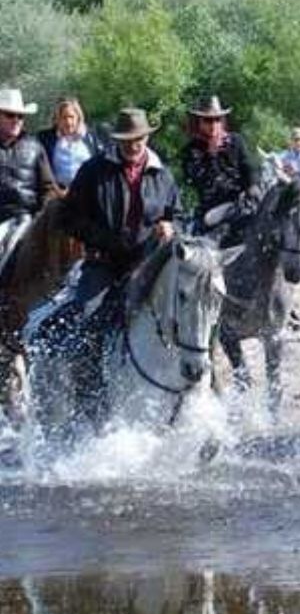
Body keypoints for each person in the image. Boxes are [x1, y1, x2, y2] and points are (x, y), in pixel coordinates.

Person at [44, 108, 180, 417]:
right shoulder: (94, 170)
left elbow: (178, 215)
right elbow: (67, 217)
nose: (134, 145)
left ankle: (188, 390)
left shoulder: (163, 174)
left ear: (147, 137)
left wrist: (172, 228)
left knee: (184, 312)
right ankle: (90, 399)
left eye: (139, 139)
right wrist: (105, 237)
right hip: (103, 263)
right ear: (119, 139)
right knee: (85, 315)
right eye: (128, 139)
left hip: (148, 264)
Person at [180, 95, 260, 242]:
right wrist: (211, 155)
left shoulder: (236, 140)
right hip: (213, 205)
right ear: (200, 122)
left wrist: (253, 185)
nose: (214, 125)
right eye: (208, 120)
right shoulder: (191, 150)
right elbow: (195, 179)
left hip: (243, 200)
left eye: (217, 120)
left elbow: (249, 166)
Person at [0, 86, 56, 280]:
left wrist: (41, 217)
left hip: (26, 217)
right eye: (10, 115)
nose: (16, 120)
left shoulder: (34, 146)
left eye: (20, 116)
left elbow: (48, 188)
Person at [37, 97, 102, 193]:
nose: (68, 122)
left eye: (71, 117)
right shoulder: (46, 139)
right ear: (58, 119)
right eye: (64, 117)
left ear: (78, 117)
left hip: (86, 193)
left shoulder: (91, 138)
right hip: (57, 193)